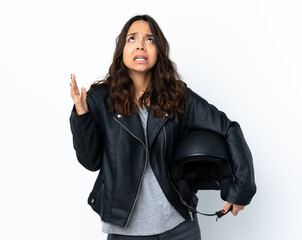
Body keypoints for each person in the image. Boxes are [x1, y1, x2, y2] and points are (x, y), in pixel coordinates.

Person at [69, 14, 256, 240]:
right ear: (121, 50)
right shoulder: (100, 99)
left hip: (179, 228)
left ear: (159, 50)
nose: (140, 44)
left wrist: (240, 190)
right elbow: (91, 162)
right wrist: (82, 116)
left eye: (149, 39)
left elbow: (228, 128)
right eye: (131, 39)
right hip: (125, 232)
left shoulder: (177, 96)